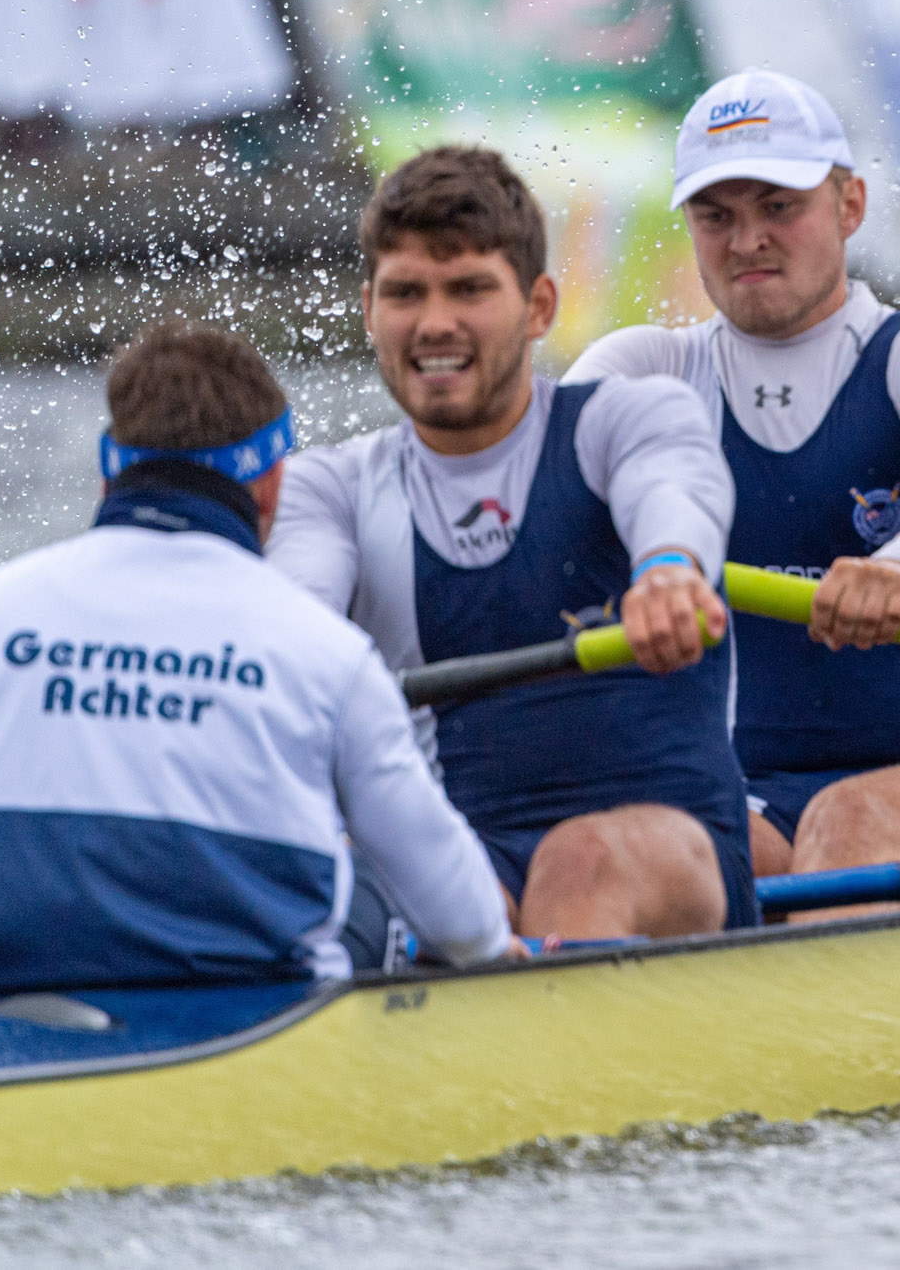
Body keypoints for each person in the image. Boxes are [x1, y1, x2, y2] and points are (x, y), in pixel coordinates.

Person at [268, 147, 757, 941]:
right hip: (460, 862)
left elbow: (674, 491)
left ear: (538, 308)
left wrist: (669, 572)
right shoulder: (330, 488)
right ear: (368, 309)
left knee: (579, 862)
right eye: (405, 294)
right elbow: (296, 622)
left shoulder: (626, 419)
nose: (434, 323)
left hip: (671, 852)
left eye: (468, 289)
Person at [568, 71, 900, 886]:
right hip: (740, 794)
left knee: (853, 824)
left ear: (849, 206)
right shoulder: (644, 370)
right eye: (717, 217)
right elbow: (534, 499)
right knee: (604, 851)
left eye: (779, 207)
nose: (747, 240)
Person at [0, 322, 511, 995]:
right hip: (254, 1033)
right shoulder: (329, 654)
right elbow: (467, 924)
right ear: (269, 486)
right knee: (372, 879)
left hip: (19, 1017)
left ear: (106, 473)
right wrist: (499, 948)